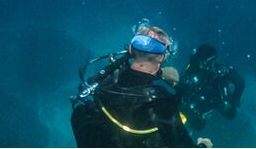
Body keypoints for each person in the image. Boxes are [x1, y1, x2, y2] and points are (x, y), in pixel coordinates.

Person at [70, 21, 212, 148]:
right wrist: (203, 146)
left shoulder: (105, 80)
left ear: (131, 50)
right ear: (162, 57)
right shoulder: (161, 103)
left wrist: (160, 73)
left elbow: (130, 77)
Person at [178, 44, 245, 132]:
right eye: (209, 62)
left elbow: (240, 82)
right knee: (198, 126)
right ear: (201, 62)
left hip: (216, 97)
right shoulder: (190, 75)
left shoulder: (219, 70)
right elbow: (181, 97)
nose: (212, 66)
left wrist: (233, 101)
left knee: (231, 114)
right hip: (200, 103)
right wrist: (193, 112)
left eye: (214, 61)